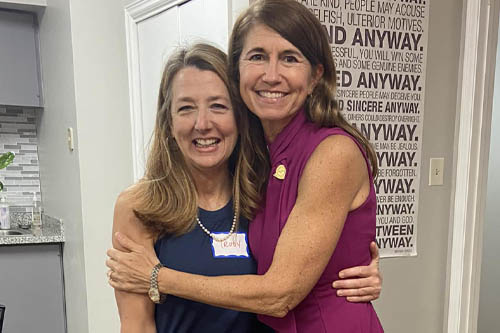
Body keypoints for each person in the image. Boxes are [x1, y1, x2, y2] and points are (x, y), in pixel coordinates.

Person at [108, 1, 383, 330]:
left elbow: (283, 290)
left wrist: (158, 277)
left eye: (218, 106)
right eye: (185, 108)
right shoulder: (140, 206)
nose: (203, 123)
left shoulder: (265, 187)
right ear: (168, 122)